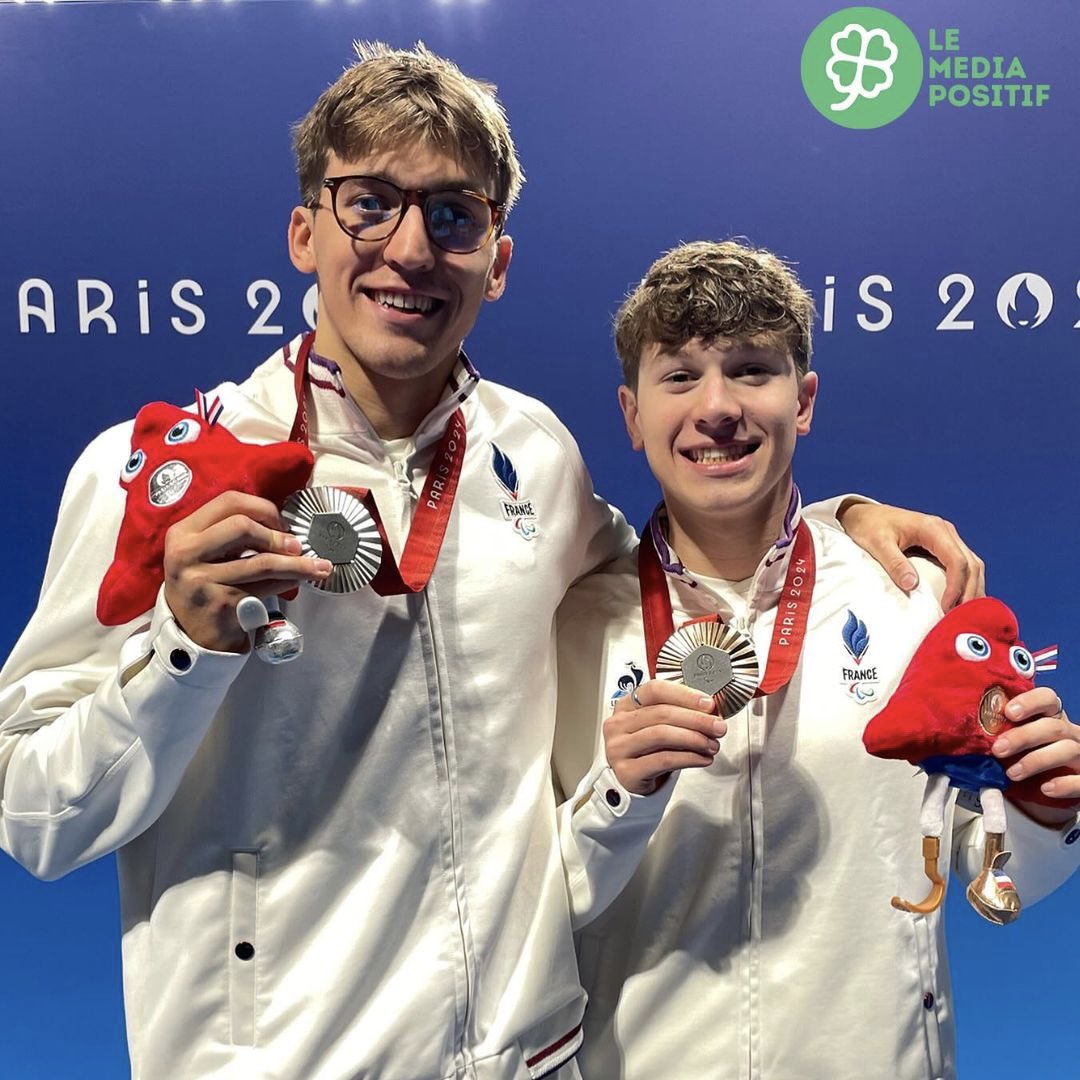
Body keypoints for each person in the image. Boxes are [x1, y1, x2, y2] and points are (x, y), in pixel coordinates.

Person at [0, 46, 981, 1080]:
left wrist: (835, 523)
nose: (411, 249)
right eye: (369, 202)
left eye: (454, 215)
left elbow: (692, 558)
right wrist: (181, 651)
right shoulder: (160, 476)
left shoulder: (536, 457)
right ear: (303, 233)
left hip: (529, 1058)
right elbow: (33, 814)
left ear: (497, 260)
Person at [553, 240, 1080, 1080]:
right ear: (630, 413)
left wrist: (1046, 816)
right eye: (680, 377)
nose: (716, 408)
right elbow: (525, 909)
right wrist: (617, 796)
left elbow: (997, 882)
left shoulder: (913, 594)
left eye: (752, 371)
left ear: (804, 401)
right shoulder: (570, 623)